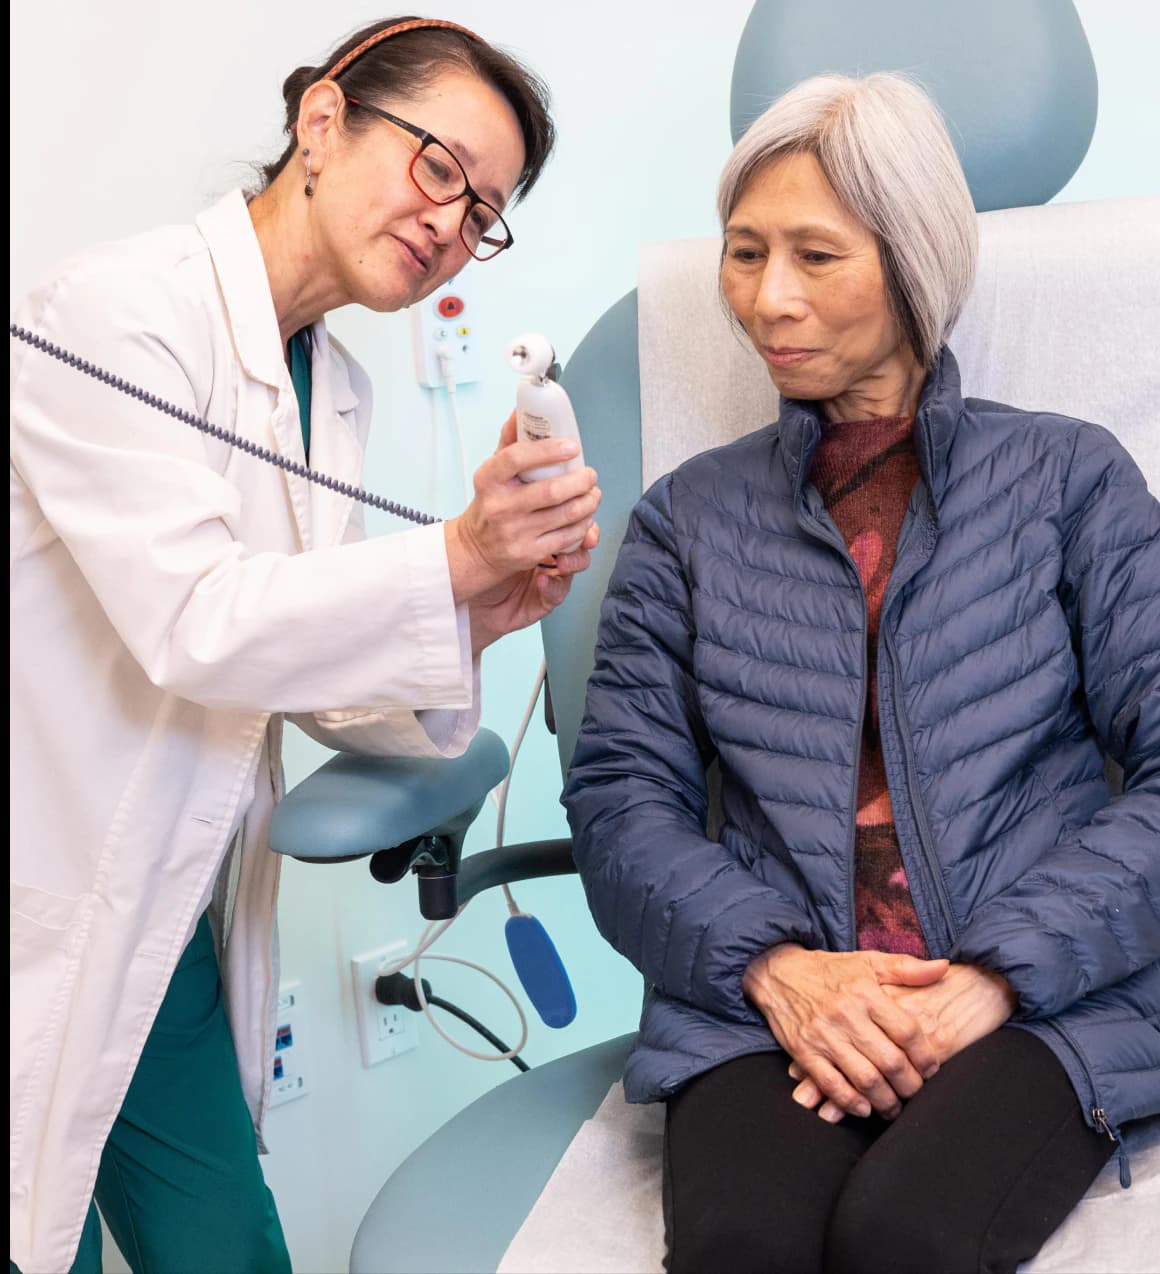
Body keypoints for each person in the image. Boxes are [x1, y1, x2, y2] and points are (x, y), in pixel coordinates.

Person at [10, 16, 602, 1274]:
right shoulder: (117, 311)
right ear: (322, 121)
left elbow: (299, 646)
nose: (452, 221)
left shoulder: (335, 387)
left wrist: (487, 606)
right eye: (440, 166)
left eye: (483, 208)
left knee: (226, 1250)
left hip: (153, 925)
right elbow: (199, 622)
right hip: (39, 894)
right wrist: (454, 557)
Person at [563, 71, 1159, 1274]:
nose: (766, 298)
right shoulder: (687, 521)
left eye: (815, 256)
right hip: (766, 990)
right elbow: (620, 799)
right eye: (742, 253)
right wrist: (776, 970)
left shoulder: (1067, 481)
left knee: (909, 1240)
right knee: (739, 1244)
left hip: (1027, 992)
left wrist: (995, 973)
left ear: (913, 264)